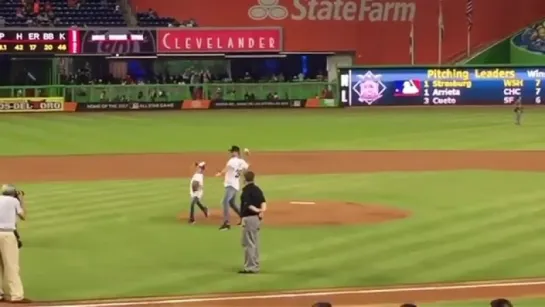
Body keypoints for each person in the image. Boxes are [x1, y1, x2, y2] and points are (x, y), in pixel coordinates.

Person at [0, 184, 28, 303]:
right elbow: (23, 216)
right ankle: (16, 295)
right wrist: (21, 201)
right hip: (7, 235)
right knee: (11, 265)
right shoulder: (14, 201)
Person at [215, 145, 250, 231]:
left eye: (232, 151)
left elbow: (228, 168)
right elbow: (246, 168)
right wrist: (247, 156)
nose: (230, 153)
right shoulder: (241, 161)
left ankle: (226, 223)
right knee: (231, 203)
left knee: (225, 202)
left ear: (235, 152)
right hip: (235, 185)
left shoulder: (232, 160)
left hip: (230, 185)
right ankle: (243, 217)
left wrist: (220, 173)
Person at [238, 171, 266, 274]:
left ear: (245, 179)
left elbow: (248, 205)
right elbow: (263, 202)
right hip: (256, 220)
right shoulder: (257, 189)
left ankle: (250, 267)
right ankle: (255, 265)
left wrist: (258, 210)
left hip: (249, 219)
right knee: (255, 243)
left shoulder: (246, 191)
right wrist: (262, 211)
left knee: (248, 243)